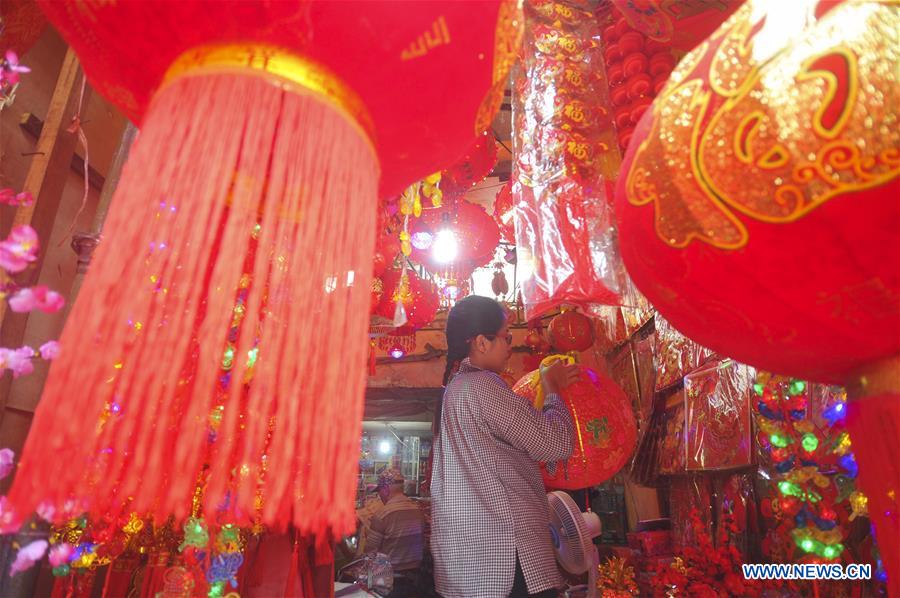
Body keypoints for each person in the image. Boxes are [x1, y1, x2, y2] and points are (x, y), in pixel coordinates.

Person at [431, 296, 578, 598]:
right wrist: (551, 390)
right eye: (506, 336)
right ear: (481, 343)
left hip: (471, 567)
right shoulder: (482, 385)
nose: (511, 345)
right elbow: (554, 444)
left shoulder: (453, 392)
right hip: (505, 562)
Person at [367, 468, 426, 596]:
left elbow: (370, 553)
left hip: (389, 584)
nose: (380, 496)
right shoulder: (418, 510)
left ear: (386, 489)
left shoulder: (382, 515)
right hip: (415, 581)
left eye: (380, 491)